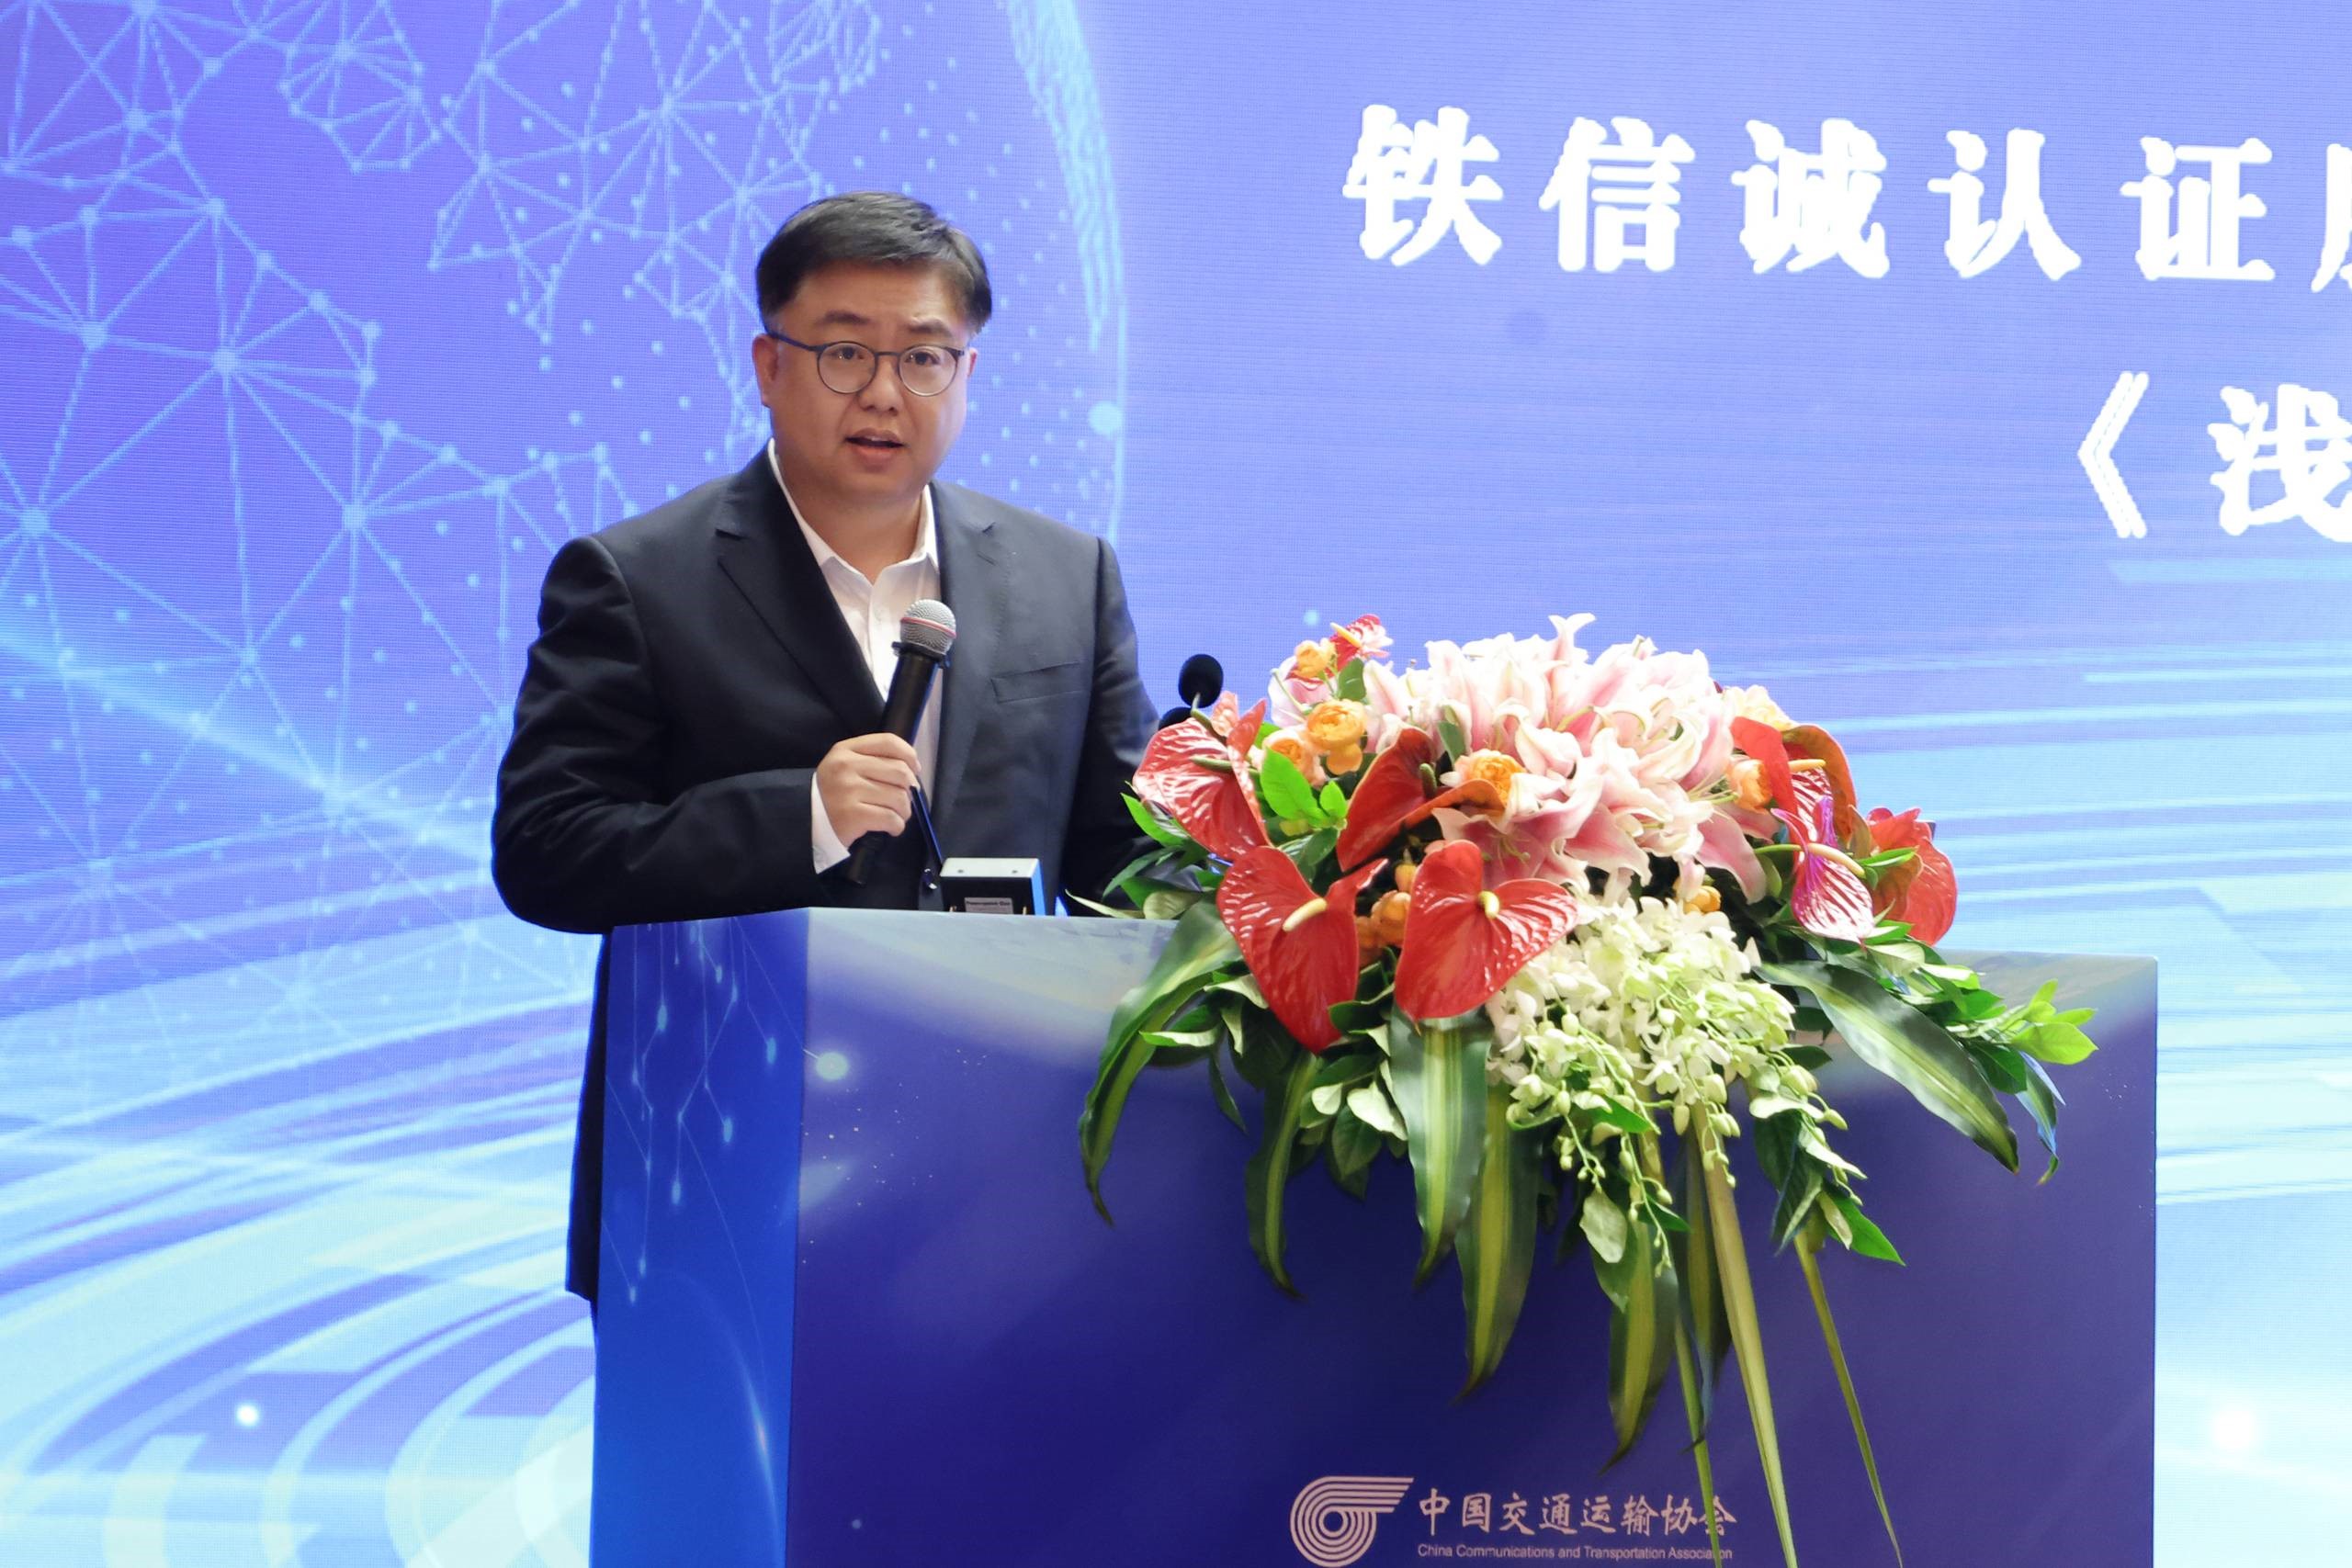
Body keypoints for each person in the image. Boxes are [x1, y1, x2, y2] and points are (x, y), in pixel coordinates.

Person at [491, 192, 1155, 1308]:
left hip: (1007, 1184)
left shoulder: (1066, 577)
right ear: (769, 364)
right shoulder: (636, 579)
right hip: (725, 1175)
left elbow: (1120, 862)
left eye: (924, 357)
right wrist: (799, 817)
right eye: (844, 352)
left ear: (967, 372)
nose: (884, 392)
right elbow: (548, 852)